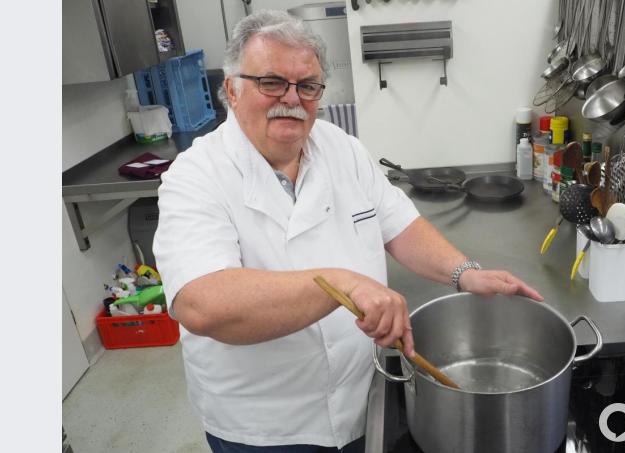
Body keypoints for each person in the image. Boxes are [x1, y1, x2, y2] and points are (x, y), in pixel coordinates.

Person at [153, 10, 542, 453]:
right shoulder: (195, 175)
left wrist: (465, 272)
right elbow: (203, 305)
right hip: (267, 427)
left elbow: (398, 224)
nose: (292, 99)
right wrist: (340, 282)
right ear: (232, 90)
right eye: (271, 83)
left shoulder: (341, 148)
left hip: (362, 395)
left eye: (307, 86)